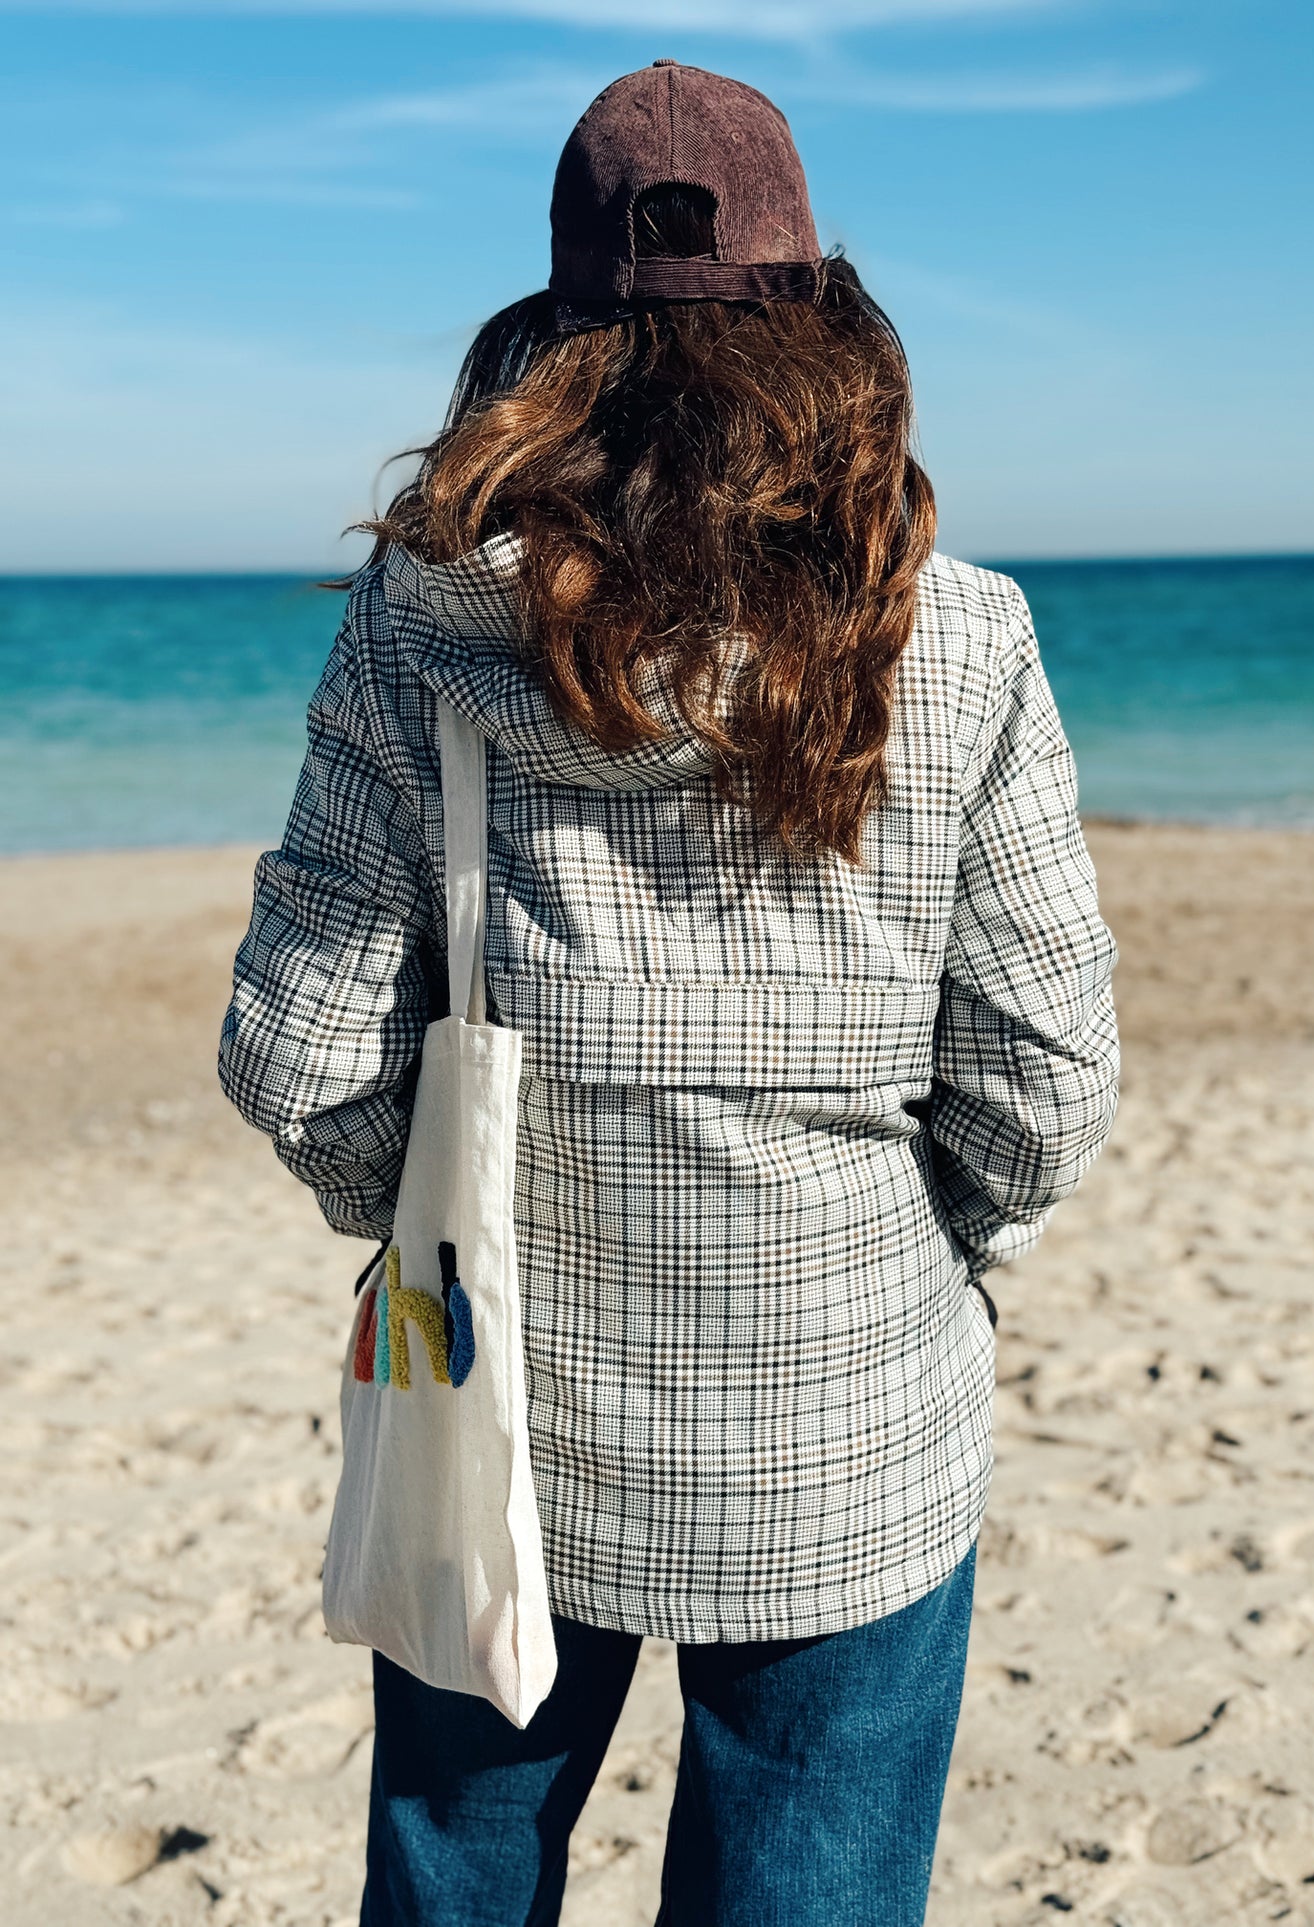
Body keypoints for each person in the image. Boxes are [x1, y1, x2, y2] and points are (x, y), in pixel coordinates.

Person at [220, 59, 1119, 1927]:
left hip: (497, 1396)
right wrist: (930, 1252)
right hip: (852, 1403)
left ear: (552, 336)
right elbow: (1042, 1073)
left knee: (459, 1877)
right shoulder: (958, 637)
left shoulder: (420, 633)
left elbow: (299, 1058)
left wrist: (428, 1220)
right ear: (821, 323)